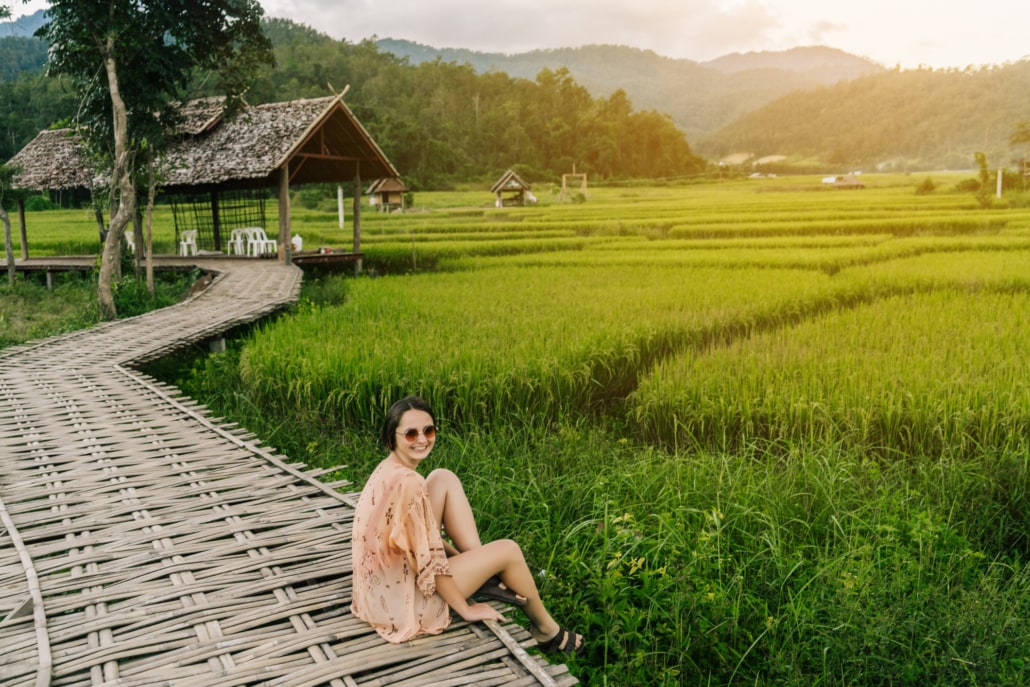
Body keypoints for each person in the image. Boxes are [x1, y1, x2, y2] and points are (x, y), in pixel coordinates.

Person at [350, 394, 584, 655]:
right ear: (391, 436)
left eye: (428, 430)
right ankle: (546, 631)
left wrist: (460, 559)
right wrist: (467, 608)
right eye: (410, 434)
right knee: (508, 549)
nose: (422, 440)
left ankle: (482, 569)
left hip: (375, 592)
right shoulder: (410, 483)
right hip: (400, 604)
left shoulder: (388, 469)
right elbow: (429, 562)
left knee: (442, 478)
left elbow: (420, 542)